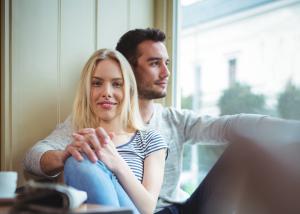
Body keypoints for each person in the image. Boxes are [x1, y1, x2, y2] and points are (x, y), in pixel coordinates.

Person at [24, 29, 300, 214]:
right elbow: (34, 157)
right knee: (81, 159)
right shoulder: (83, 126)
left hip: (174, 208)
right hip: (123, 204)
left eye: (167, 62)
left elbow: (229, 125)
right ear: (130, 69)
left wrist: (289, 129)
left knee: (245, 148)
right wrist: (64, 155)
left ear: (125, 84)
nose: (166, 72)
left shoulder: (171, 121)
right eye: (155, 63)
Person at [25, 48, 168, 214]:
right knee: (80, 156)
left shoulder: (150, 139)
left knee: (84, 157)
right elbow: (30, 159)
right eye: (97, 83)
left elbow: (148, 208)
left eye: (117, 84)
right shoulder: (77, 135)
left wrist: (116, 162)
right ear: (87, 91)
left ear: (128, 90)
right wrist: (64, 156)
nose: (106, 93)